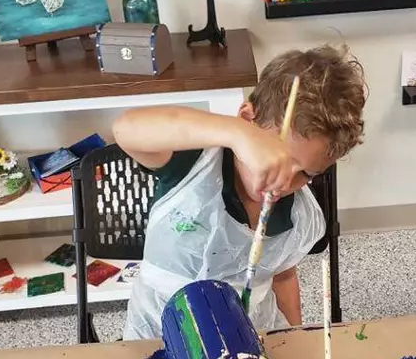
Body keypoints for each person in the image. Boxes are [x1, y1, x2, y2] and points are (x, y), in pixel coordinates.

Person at [113, 44, 366, 339]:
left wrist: (295, 337)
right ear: (248, 120)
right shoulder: (192, 163)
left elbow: (283, 276)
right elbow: (126, 128)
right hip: (160, 328)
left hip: (247, 332)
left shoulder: (296, 216)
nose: (284, 183)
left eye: (305, 174)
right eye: (276, 159)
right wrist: (236, 133)